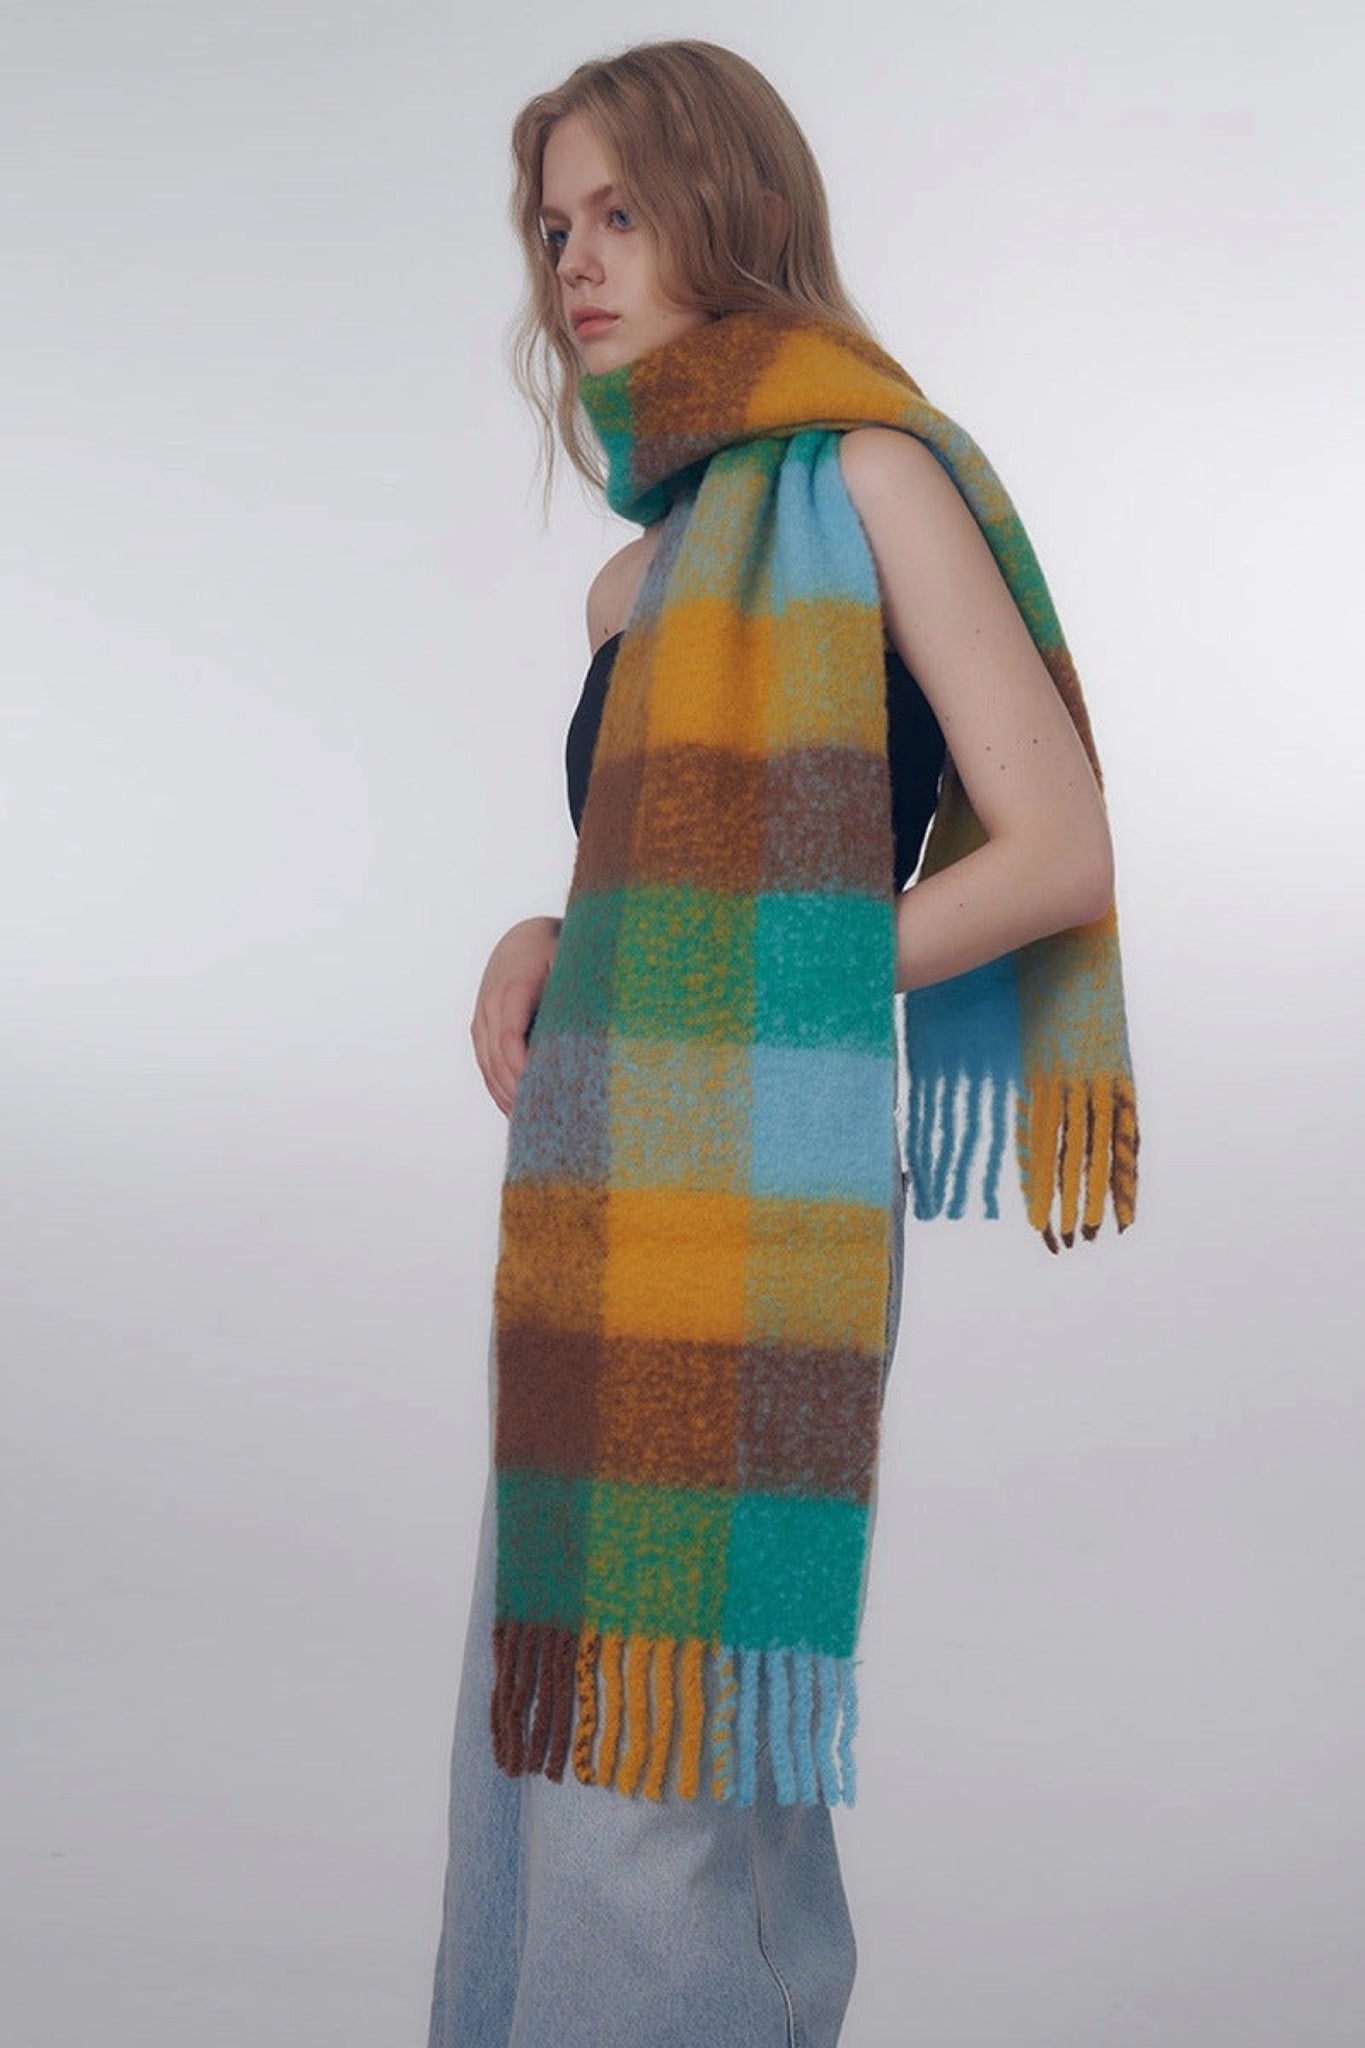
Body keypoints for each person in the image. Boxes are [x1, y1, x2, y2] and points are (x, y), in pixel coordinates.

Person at [428, 38, 1133, 2048]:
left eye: (617, 212)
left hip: (759, 1194)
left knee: (659, 1773)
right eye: (552, 227)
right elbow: (657, 886)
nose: (574, 262)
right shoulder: (634, 577)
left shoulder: (873, 477)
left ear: (728, 208)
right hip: (595, 1193)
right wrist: (546, 928)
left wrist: (785, 979)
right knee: (550, 1732)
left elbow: (1055, 846)